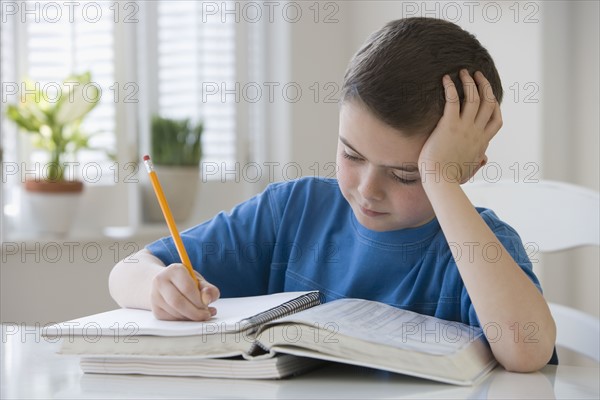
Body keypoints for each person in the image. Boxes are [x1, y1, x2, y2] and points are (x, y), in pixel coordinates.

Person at [109, 17, 556, 372]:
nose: (367, 190)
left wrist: (439, 177)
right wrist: (158, 287)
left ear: (466, 168)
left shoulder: (480, 247)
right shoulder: (293, 211)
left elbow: (527, 350)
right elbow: (127, 271)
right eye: (351, 154)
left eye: (406, 175)